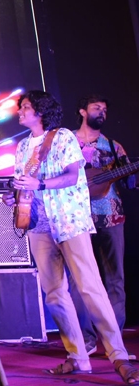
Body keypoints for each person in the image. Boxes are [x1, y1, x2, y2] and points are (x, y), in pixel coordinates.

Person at [3, 90, 136, 383]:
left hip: (69, 222)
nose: (20, 112)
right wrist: (14, 196)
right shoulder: (22, 147)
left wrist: (40, 184)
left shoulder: (63, 137)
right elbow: (25, 184)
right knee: (54, 293)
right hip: (39, 226)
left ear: (40, 111)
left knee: (91, 287)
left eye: (25, 107)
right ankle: (77, 357)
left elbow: (73, 176)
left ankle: (120, 356)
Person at [71, 94, 135, 356]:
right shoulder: (68, 142)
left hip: (111, 216)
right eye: (97, 108)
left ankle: (114, 339)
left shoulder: (113, 146)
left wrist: (131, 176)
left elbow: (129, 181)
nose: (102, 112)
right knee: (79, 278)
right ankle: (85, 339)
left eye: (105, 109)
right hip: (77, 217)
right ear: (83, 111)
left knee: (114, 278)